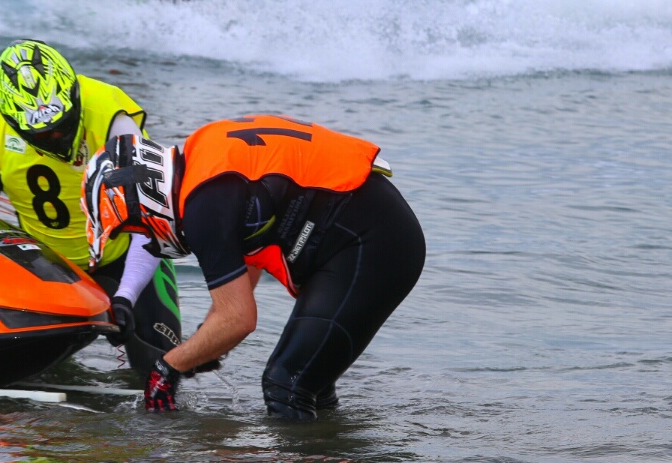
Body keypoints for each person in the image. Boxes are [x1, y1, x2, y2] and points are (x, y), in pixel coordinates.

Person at [82, 115, 425, 418]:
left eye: (134, 228)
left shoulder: (203, 206)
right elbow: (248, 259)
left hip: (372, 240)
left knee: (285, 384)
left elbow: (239, 320)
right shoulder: (201, 160)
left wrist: (168, 367)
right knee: (308, 384)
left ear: (147, 201)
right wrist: (207, 340)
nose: (144, 239)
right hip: (374, 227)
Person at [0, 40, 180, 381]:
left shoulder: (115, 124)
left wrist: (124, 297)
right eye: (46, 134)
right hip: (50, 267)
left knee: (162, 372)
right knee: (32, 375)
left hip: (126, 257)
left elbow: (155, 225)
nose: (59, 136)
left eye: (63, 124)